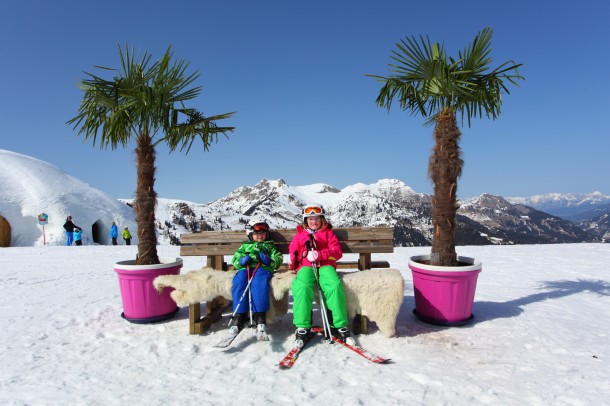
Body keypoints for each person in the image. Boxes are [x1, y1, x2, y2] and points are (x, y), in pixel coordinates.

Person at [288, 204, 354, 347]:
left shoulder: (328, 233)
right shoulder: (300, 235)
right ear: (306, 221)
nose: (314, 222)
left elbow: (337, 252)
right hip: (306, 265)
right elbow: (293, 251)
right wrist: (294, 264)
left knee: (334, 285)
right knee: (302, 286)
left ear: (322, 219)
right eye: (310, 219)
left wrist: (320, 254)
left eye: (317, 218)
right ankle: (302, 326)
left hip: (325, 264)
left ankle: (339, 324)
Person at [230, 221, 283, 340]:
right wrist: (242, 261)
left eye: (263, 233)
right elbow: (235, 259)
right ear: (250, 235)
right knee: (239, 282)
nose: (260, 236)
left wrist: (269, 261)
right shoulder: (245, 246)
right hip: (246, 269)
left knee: (259, 283)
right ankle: (240, 315)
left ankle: (260, 316)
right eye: (256, 233)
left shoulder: (270, 246)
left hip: (262, 269)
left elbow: (278, 259)